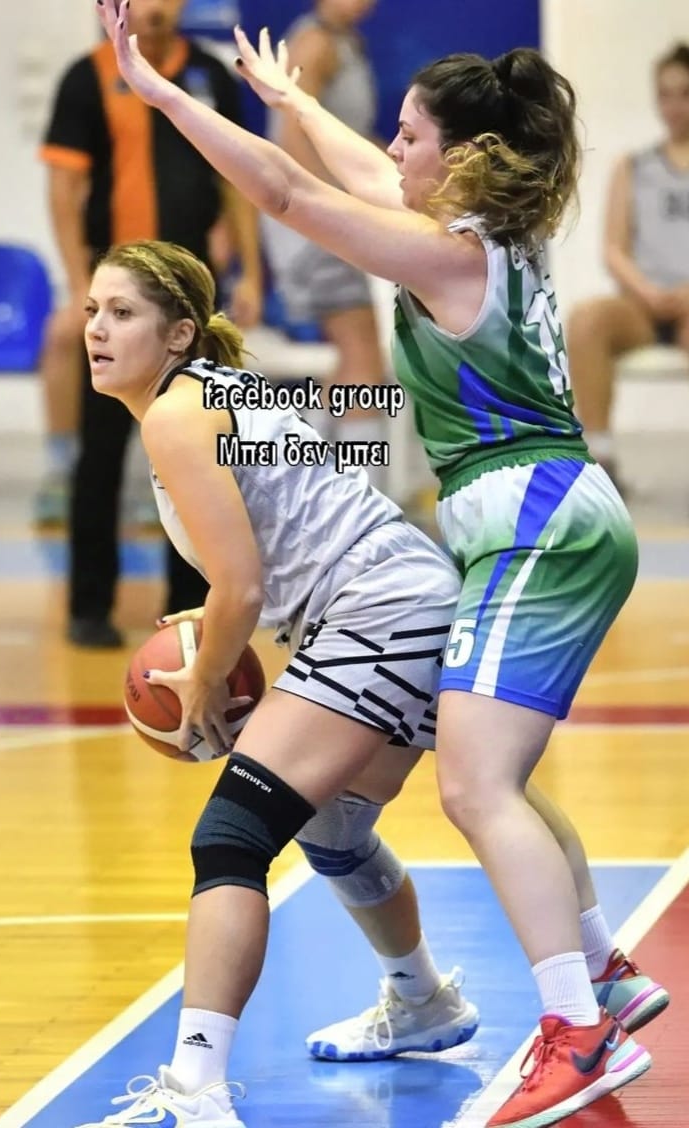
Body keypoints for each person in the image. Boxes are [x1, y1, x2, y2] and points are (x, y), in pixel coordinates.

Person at [93, 7, 671, 1127]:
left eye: (408, 135)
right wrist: (293, 100)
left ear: (461, 158)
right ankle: (591, 973)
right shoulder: (472, 232)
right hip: (534, 520)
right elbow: (352, 169)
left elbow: (289, 196)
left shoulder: (448, 254)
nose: (390, 150)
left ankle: (576, 1026)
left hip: (531, 520)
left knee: (474, 786)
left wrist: (162, 96)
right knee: (465, 781)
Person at [75, 237, 479, 1127]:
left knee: (231, 839)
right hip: (403, 592)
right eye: (93, 310)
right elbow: (281, 523)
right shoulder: (225, 388)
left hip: (378, 605)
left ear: (179, 333)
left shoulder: (176, 416)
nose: (96, 329)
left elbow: (243, 587)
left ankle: (195, 1086)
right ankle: (425, 999)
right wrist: (215, 634)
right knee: (336, 828)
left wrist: (202, 681)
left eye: (123, 313)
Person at [35, 0, 263, 649]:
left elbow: (237, 181)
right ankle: (88, 604)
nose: (156, 10)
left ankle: (189, 605)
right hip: (119, 299)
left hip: (191, 299)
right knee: (100, 454)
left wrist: (251, 273)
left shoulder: (210, 75)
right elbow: (65, 191)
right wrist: (82, 288)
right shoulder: (87, 77)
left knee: (195, 453)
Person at [263, 0, 388, 464]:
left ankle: (307, 477)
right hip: (313, 218)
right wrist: (333, 208)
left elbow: (349, 136)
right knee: (363, 355)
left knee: (351, 360)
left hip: (329, 216)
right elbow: (293, 139)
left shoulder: (347, 43)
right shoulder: (314, 45)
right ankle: (365, 490)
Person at [566, 42, 689, 486]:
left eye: (685, 93)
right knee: (587, 321)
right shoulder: (633, 167)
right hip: (644, 303)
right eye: (665, 94)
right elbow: (614, 249)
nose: (674, 106)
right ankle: (600, 461)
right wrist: (648, 292)